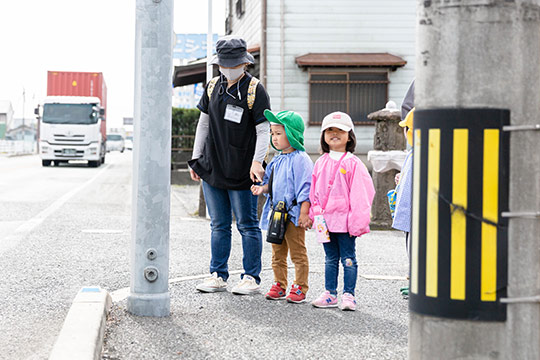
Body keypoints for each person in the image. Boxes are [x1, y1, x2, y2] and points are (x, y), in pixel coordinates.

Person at [188, 35, 271, 295]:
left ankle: (251, 278)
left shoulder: (254, 89)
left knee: (247, 224)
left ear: (244, 63)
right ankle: (218, 273)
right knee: (218, 224)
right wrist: (196, 157)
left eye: (233, 63)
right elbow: (203, 123)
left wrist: (258, 162)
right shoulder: (213, 86)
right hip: (213, 164)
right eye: (225, 64)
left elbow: (263, 129)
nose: (229, 68)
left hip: (244, 168)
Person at [309, 111, 375, 311]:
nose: (334, 133)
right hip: (324, 220)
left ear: (349, 136)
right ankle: (330, 293)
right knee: (329, 258)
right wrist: (313, 214)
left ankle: (349, 294)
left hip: (345, 221)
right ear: (323, 136)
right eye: (329, 130)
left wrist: (358, 221)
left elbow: (361, 194)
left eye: (340, 130)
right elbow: (313, 192)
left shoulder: (353, 163)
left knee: (348, 257)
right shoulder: (320, 162)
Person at [251, 110, 313, 303]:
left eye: (279, 133)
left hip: (294, 215)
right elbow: (272, 183)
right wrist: (262, 189)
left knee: (297, 253)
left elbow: (306, 188)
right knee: (277, 253)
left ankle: (300, 287)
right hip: (276, 214)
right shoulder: (277, 160)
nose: (274, 138)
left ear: (292, 133)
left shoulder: (301, 159)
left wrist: (304, 213)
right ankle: (279, 284)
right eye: (272, 133)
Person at [392, 79, 415, 297]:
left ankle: (420, 281)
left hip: (423, 210)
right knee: (412, 244)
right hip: (411, 208)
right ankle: (415, 278)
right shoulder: (413, 153)